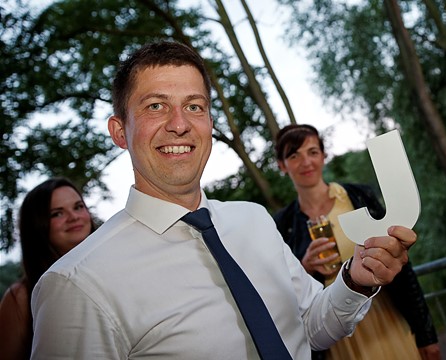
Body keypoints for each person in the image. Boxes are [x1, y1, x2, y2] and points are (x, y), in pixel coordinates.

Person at [29, 40, 418, 359]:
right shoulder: (76, 285)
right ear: (119, 130)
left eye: (194, 106)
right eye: (155, 106)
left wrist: (355, 280)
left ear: (210, 124)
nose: (179, 123)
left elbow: (311, 326)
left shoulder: (254, 220)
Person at [273, 124, 441, 360]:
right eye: (294, 155)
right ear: (282, 165)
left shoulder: (358, 196)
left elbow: (403, 269)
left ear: (323, 155)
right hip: (333, 338)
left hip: (385, 318)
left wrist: (426, 335)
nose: (306, 162)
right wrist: (305, 268)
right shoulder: (281, 225)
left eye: (312, 152)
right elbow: (279, 295)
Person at [0, 177, 96, 360]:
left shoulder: (116, 269)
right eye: (57, 213)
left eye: (78, 207)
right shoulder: (20, 297)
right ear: (37, 225)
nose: (74, 217)